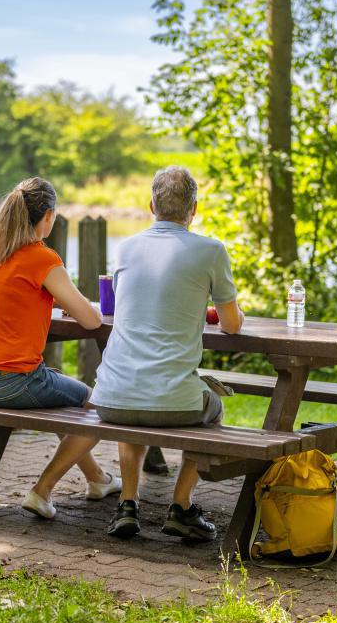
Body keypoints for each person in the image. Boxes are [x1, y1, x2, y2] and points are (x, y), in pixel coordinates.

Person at [90, 166, 245, 541]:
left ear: (151, 206)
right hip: (175, 401)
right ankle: (182, 506)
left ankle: (128, 503)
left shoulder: (126, 248)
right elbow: (232, 325)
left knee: (135, 396)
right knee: (214, 406)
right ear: (194, 209)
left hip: (111, 397)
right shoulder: (210, 250)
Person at [0, 177, 121, 519]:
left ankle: (98, 480)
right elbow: (91, 320)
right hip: (8, 382)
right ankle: (41, 491)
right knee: (101, 403)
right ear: (47, 217)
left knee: (62, 390)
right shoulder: (40, 258)